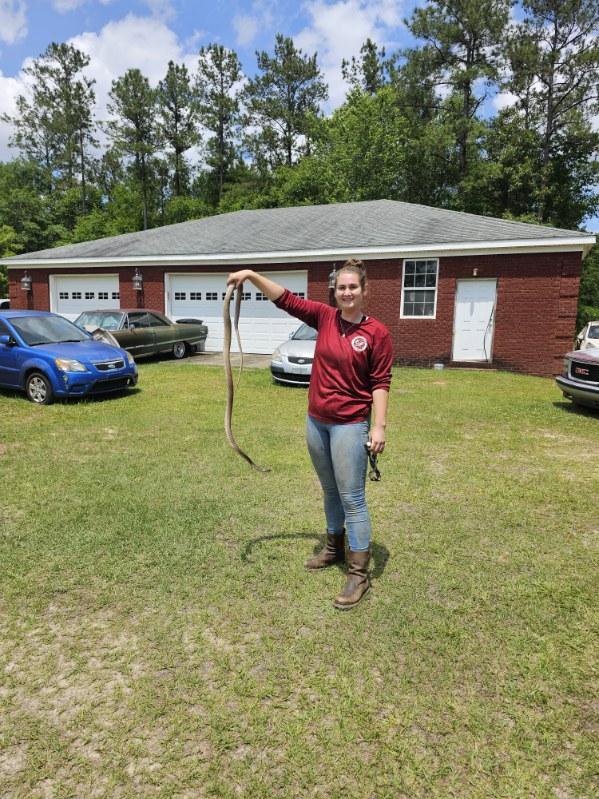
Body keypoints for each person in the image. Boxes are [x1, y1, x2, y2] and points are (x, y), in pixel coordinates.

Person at [227, 259, 393, 610]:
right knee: (330, 489)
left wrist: (378, 425)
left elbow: (380, 382)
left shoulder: (376, 333)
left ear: (364, 291)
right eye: (341, 287)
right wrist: (252, 276)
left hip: (350, 425)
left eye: (353, 287)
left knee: (353, 498)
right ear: (335, 291)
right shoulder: (324, 317)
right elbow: (285, 299)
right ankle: (333, 548)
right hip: (316, 422)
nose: (347, 292)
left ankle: (358, 574)